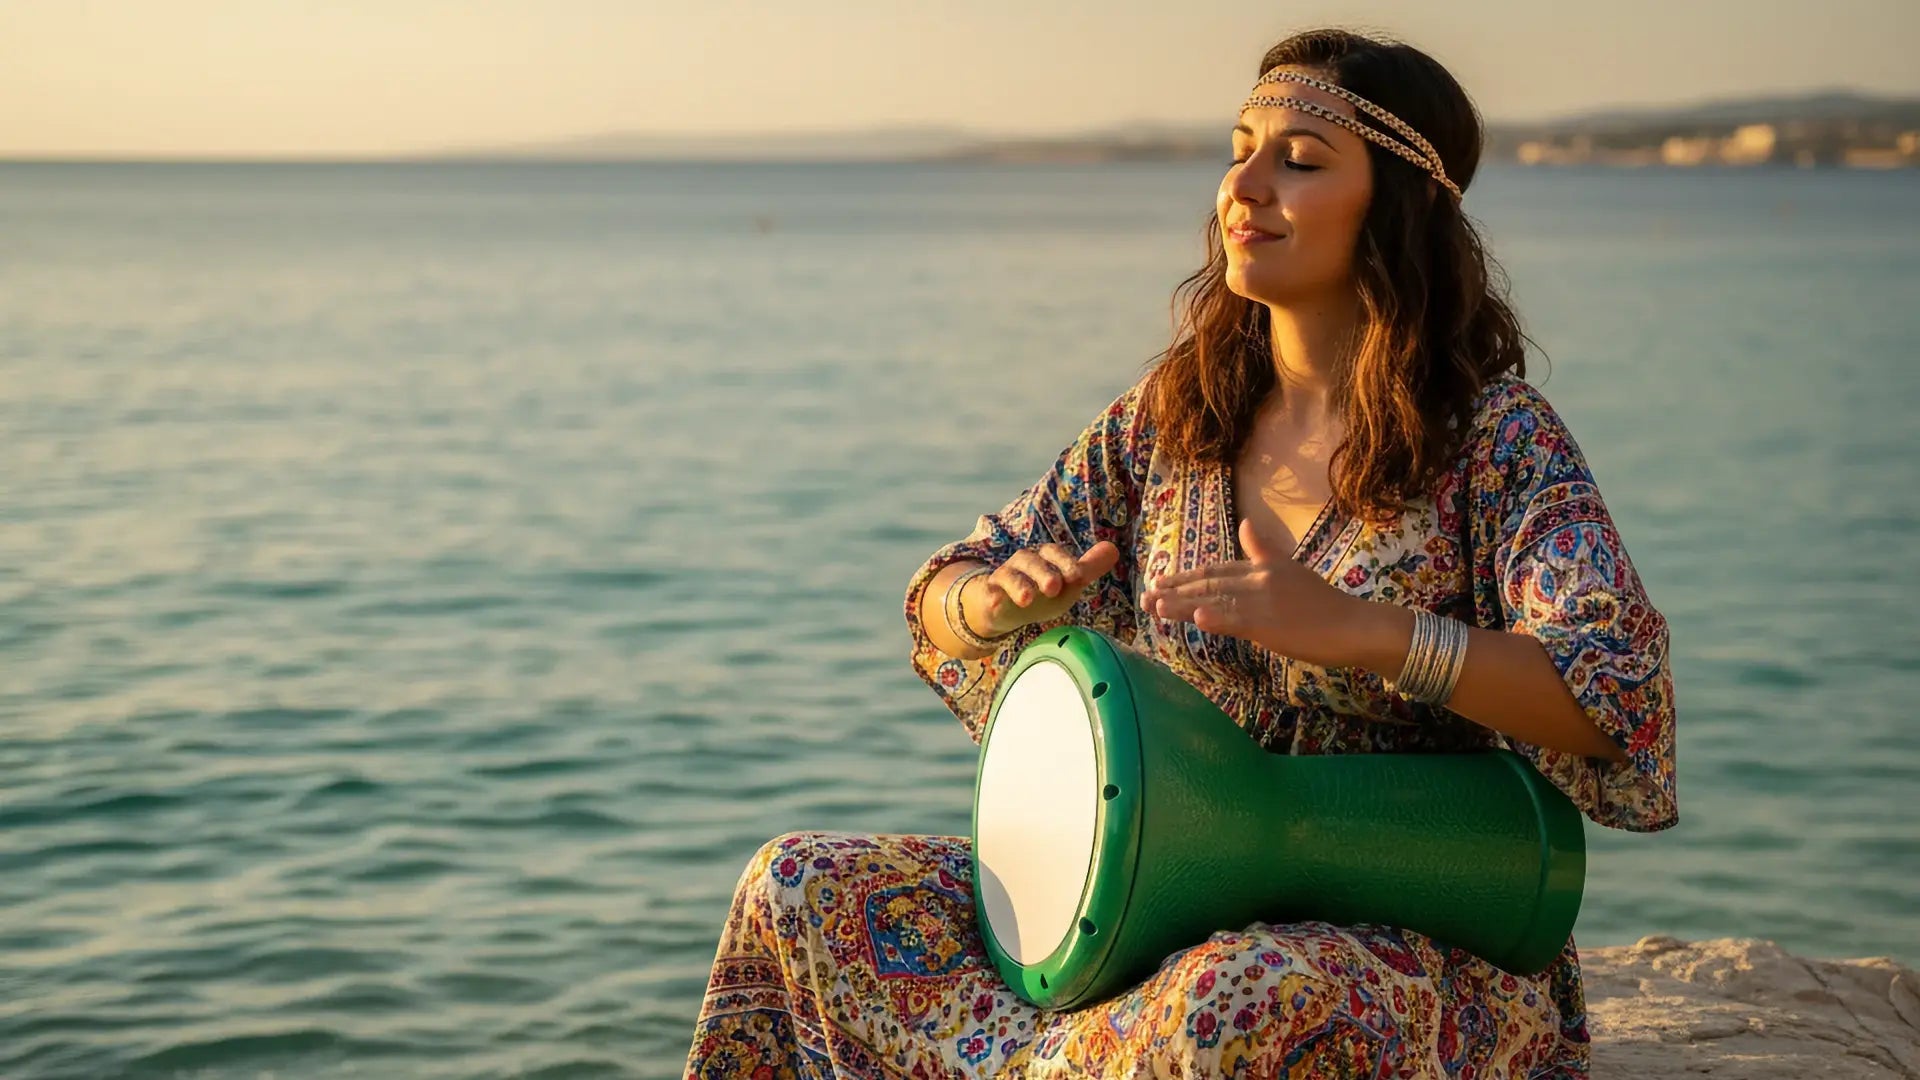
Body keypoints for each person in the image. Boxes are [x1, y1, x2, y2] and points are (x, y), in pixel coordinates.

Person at [684, 26, 1677, 1079]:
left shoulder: (1494, 438)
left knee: (1228, 998)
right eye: (1239, 147)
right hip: (1163, 887)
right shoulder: (1174, 419)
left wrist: (1367, 633)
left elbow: (1616, 693)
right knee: (799, 885)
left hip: (1409, 929)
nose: (1243, 186)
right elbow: (941, 589)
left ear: (1396, 206)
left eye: (1299, 160)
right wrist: (992, 603)